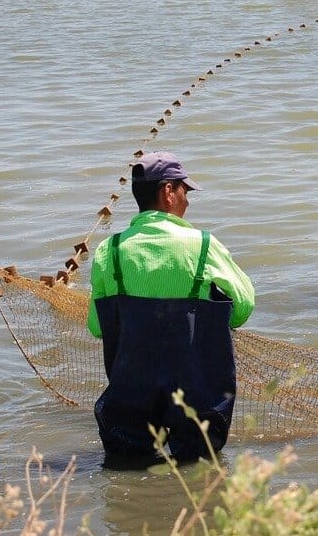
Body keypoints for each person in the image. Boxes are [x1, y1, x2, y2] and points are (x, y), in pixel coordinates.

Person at [87, 151, 255, 463]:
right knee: (201, 473)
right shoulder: (203, 245)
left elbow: (97, 327)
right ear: (168, 192)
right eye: (185, 190)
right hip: (196, 398)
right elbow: (244, 308)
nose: (187, 201)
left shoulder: (109, 251)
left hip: (130, 399)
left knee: (127, 471)